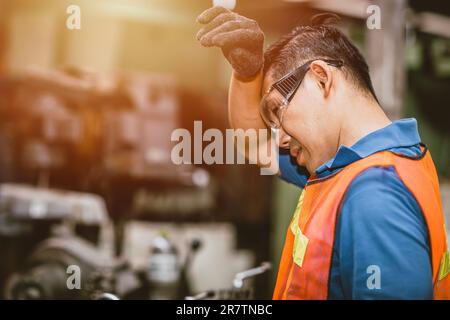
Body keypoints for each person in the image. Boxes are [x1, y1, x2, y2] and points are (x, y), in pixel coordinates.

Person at [196, 6, 450, 299]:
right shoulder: (345, 170)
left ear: (321, 78)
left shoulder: (374, 194)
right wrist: (246, 75)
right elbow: (256, 146)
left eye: (278, 109)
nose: (278, 139)